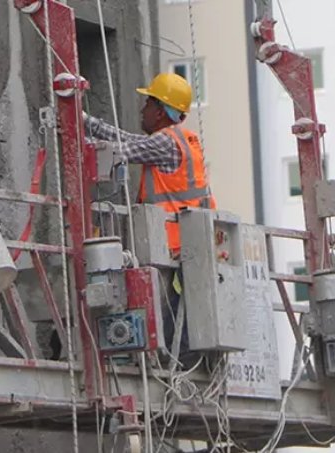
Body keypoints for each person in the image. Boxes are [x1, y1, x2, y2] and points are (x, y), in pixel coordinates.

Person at [84, 73, 216, 357]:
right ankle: (170, 361)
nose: (142, 109)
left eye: (147, 103)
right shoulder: (179, 140)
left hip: (171, 249)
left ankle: (165, 362)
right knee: (175, 319)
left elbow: (125, 150)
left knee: (166, 319)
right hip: (186, 248)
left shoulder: (166, 143)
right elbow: (130, 140)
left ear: (160, 110)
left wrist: (79, 134)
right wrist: (89, 124)